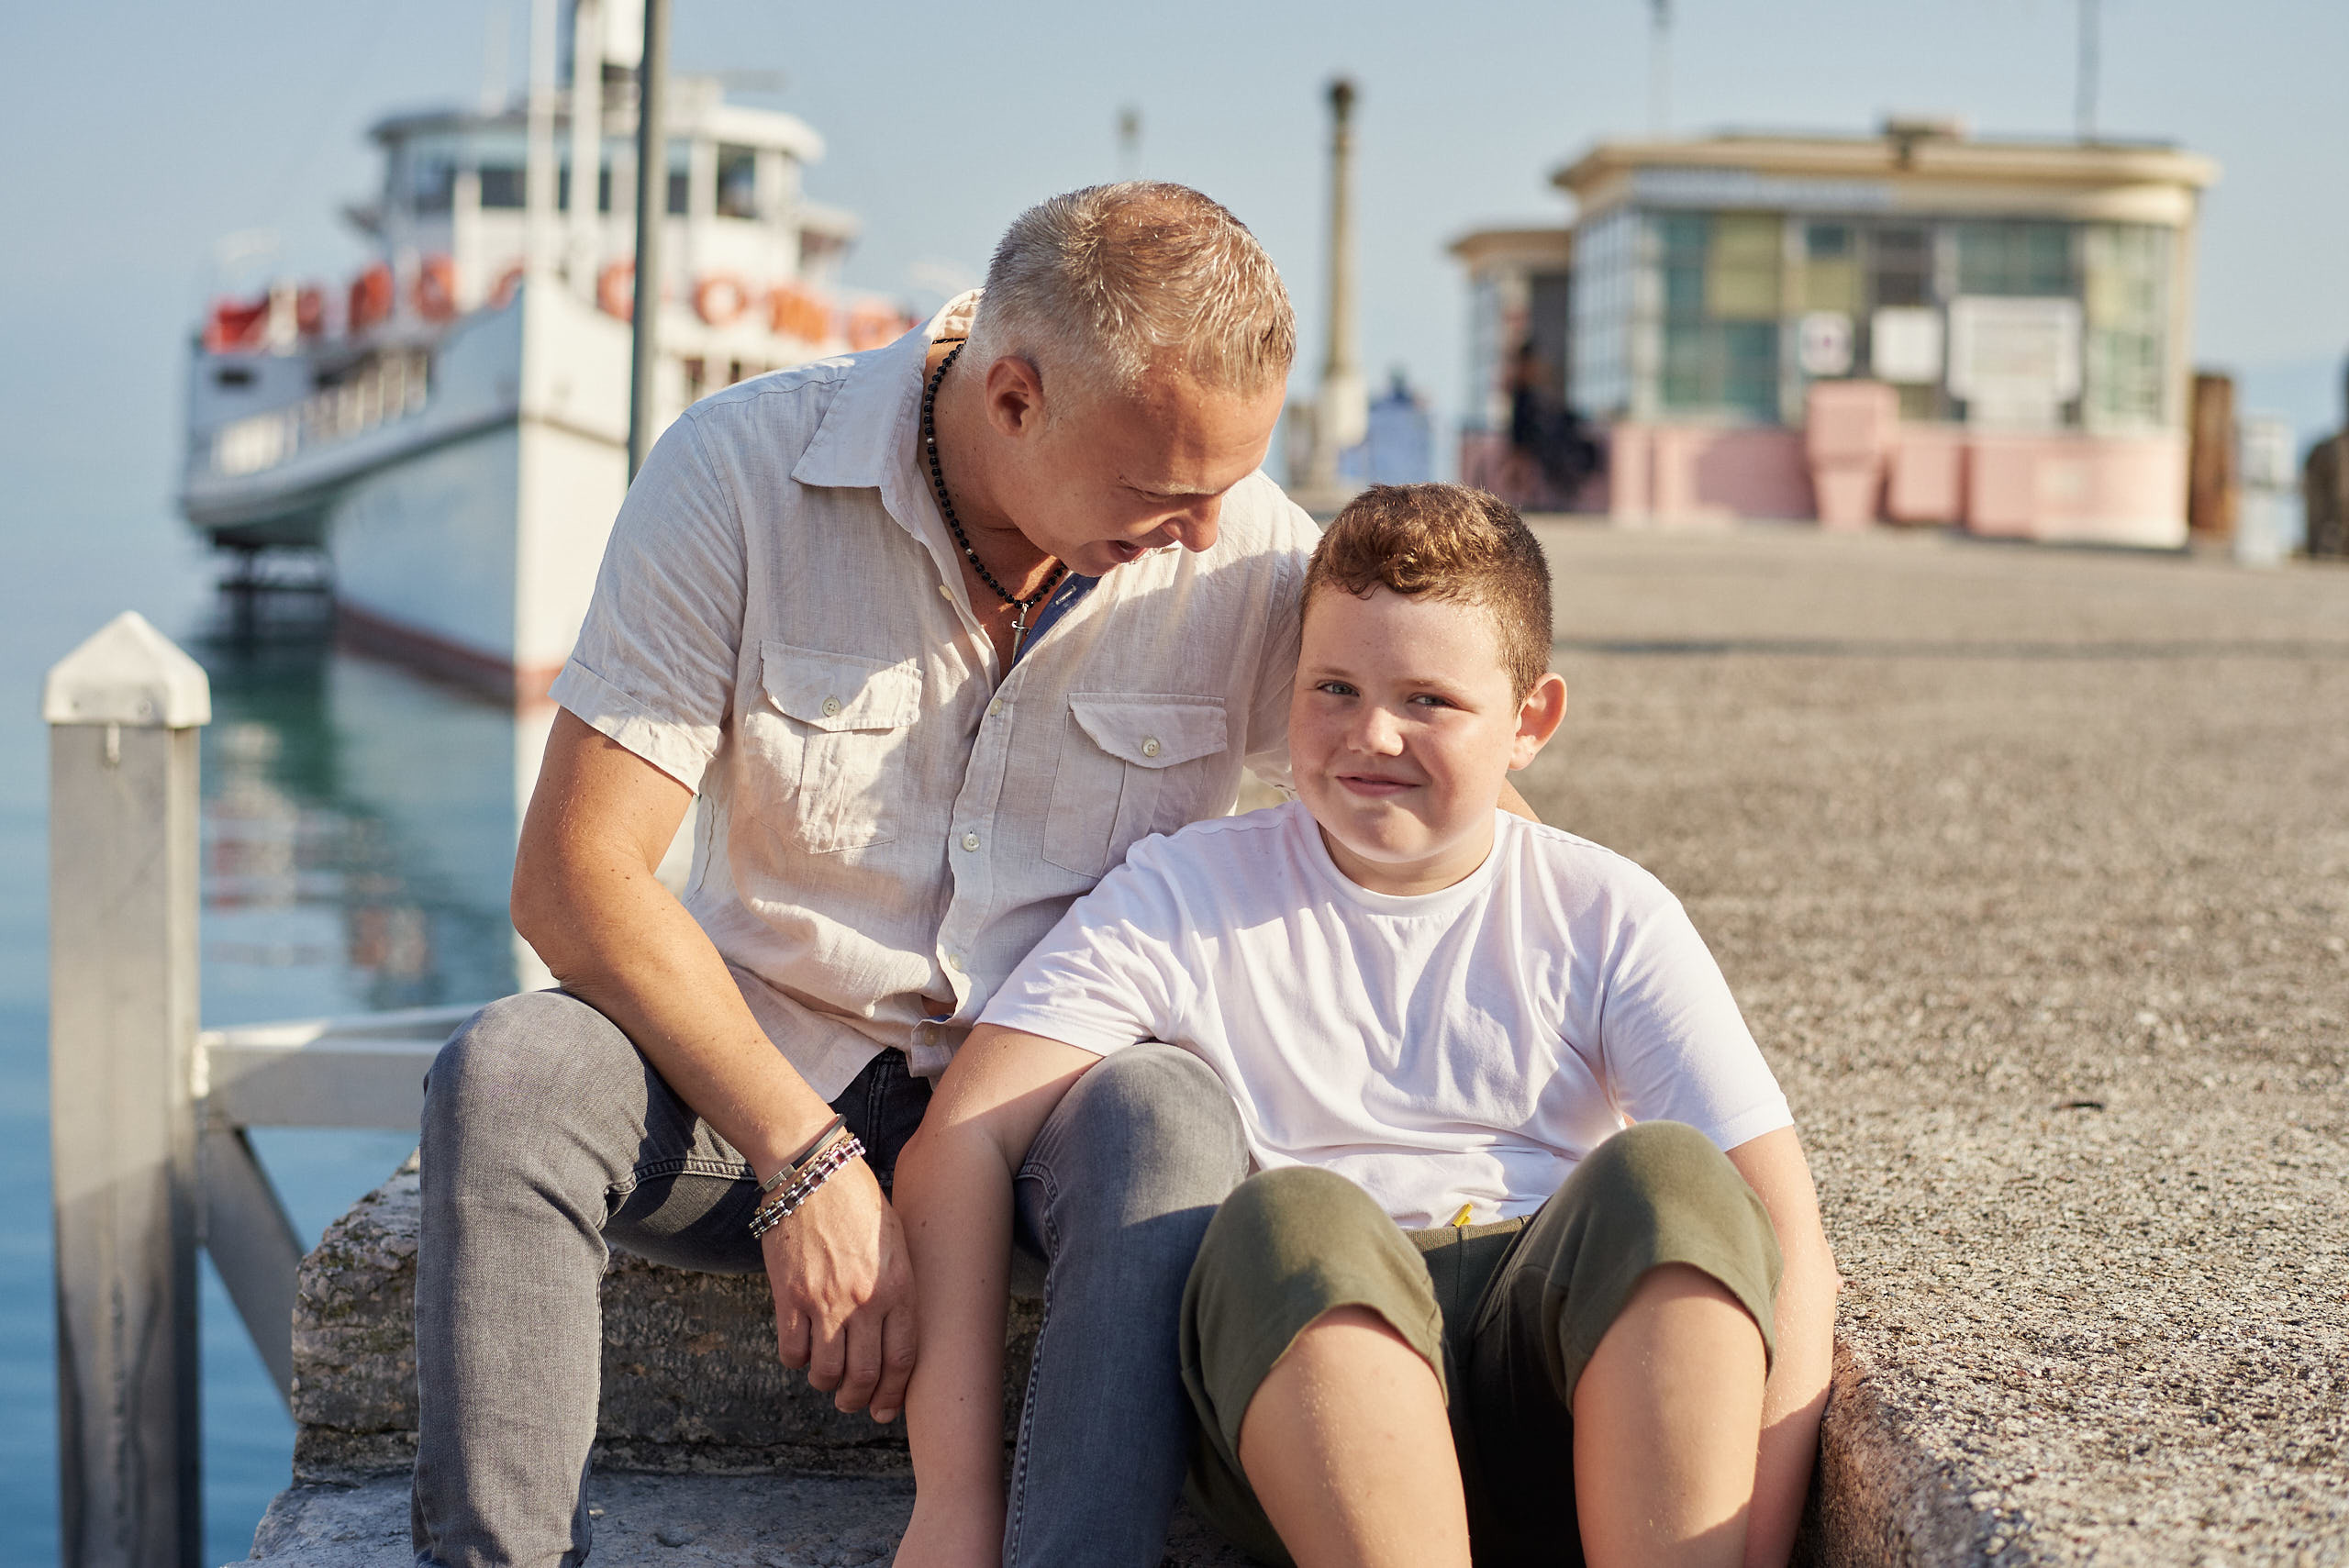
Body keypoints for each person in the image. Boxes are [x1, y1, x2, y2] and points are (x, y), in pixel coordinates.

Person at [409, 183, 1320, 1568]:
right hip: (749, 1076)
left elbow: (1441, 776)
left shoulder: (1245, 544)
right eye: (1162, 491)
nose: (1205, 531)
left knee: (1172, 1117)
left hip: (1048, 1115)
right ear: (1013, 397)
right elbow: (575, 876)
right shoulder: (736, 471)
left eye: (1229, 486)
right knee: (510, 1074)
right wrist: (802, 1155)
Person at [895, 484, 1840, 1568]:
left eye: (1429, 700)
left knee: (1671, 1177)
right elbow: (963, 1137)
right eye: (1331, 687)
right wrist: (953, 1501)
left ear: (1530, 722)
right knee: (1296, 1216)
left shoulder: (1605, 909)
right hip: (1309, 1384)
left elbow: (1787, 1242)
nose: (1371, 734)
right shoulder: (1185, 891)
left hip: (1554, 1381)